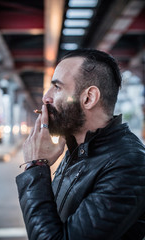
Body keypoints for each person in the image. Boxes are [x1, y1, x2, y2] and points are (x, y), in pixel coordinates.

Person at [16, 49, 145, 240]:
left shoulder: (128, 164)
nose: (46, 97)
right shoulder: (79, 149)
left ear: (88, 98)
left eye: (57, 87)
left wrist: (35, 167)